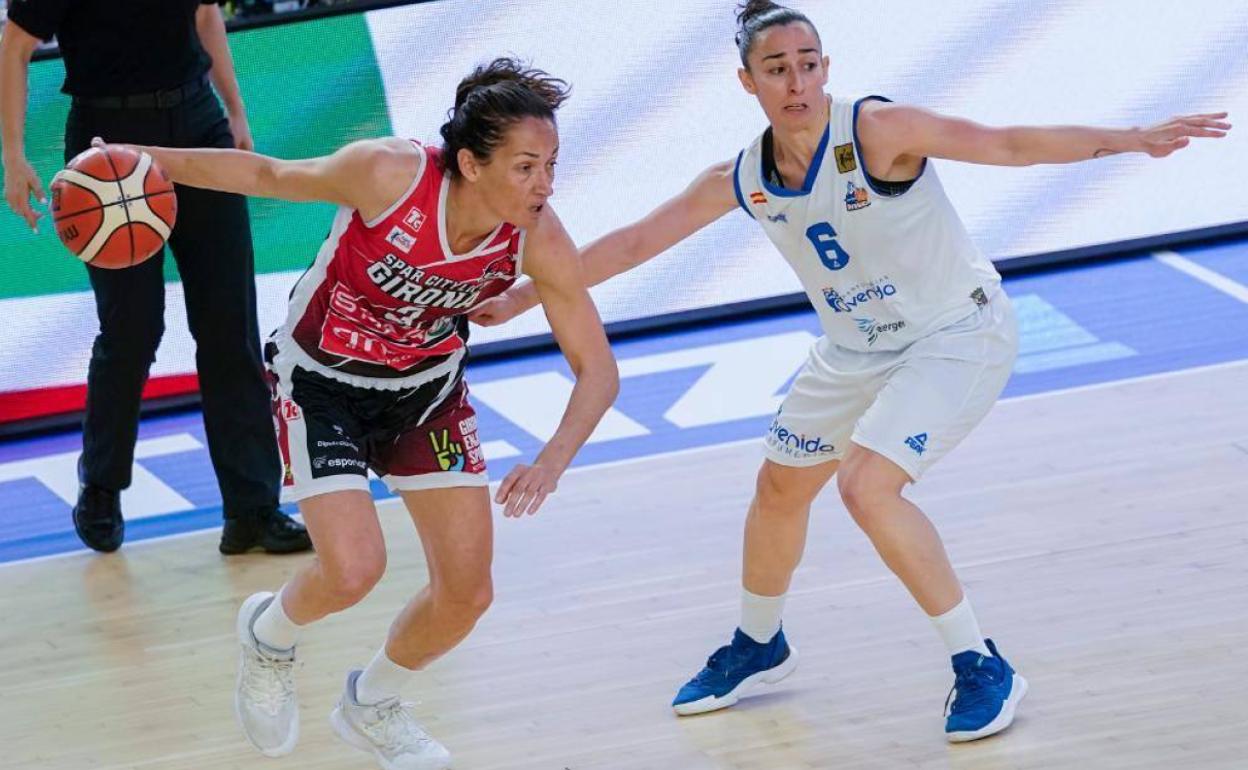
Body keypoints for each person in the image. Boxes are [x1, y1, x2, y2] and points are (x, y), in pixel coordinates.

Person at [470, 0, 1230, 743]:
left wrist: (1132, 139)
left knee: (866, 485)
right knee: (778, 488)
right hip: (856, 348)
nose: (797, 82)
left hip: (955, 332)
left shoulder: (876, 129)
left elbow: (1006, 143)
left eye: (808, 64)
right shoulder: (742, 176)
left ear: (826, 67)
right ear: (748, 83)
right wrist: (532, 295)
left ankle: (980, 660)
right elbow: (636, 243)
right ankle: (759, 642)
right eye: (777, 69)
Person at [113, 57, 618, 768]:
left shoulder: (537, 238)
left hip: (426, 394)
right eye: (527, 166)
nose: (546, 185)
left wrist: (552, 460)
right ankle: (269, 637)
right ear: (471, 165)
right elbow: (266, 175)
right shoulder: (388, 175)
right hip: (322, 381)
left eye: (552, 165)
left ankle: (372, 704)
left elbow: (598, 371)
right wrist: (142, 158)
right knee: (353, 571)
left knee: (467, 595)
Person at [1, 1, 311, 555]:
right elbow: (15, 45)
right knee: (132, 329)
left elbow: (205, 13)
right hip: (107, 145)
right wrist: (14, 155)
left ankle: (253, 507)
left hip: (197, 125)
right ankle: (100, 486)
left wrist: (235, 108)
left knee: (230, 324)